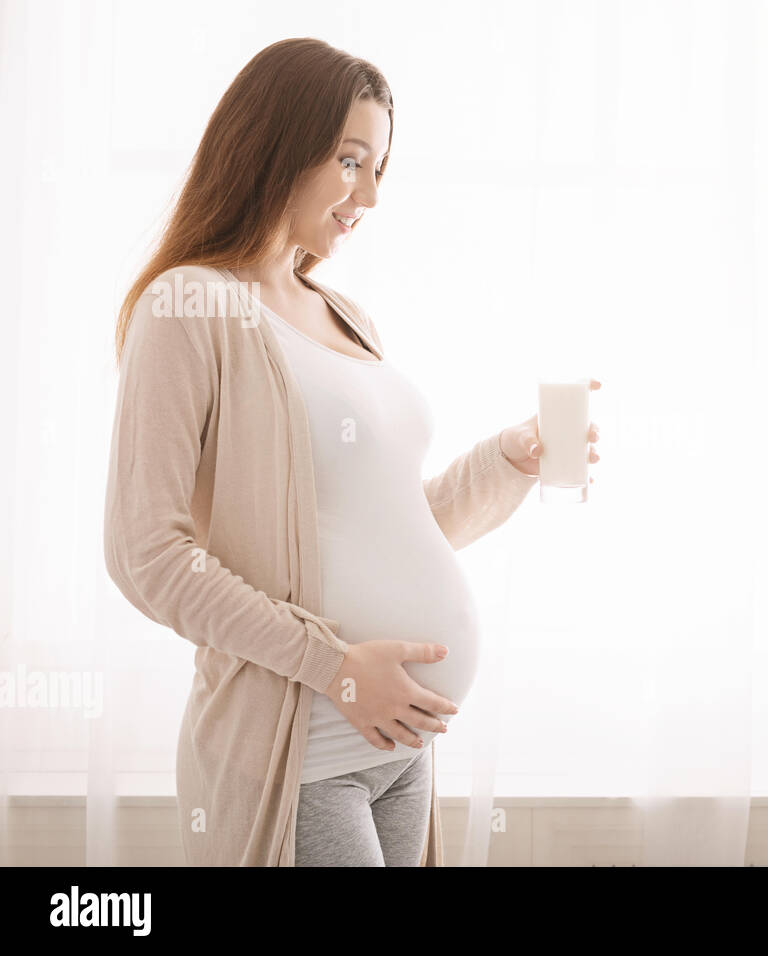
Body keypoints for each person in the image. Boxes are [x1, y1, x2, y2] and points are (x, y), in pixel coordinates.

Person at [103, 37, 600, 866]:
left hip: (401, 750)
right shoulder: (189, 305)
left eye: (380, 169)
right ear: (275, 143)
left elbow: (390, 528)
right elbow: (145, 555)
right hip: (299, 757)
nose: (368, 193)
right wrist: (334, 667)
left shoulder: (344, 315)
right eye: (349, 160)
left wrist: (506, 462)